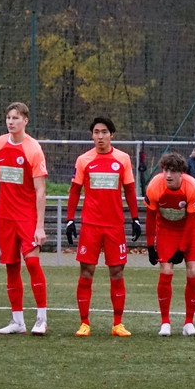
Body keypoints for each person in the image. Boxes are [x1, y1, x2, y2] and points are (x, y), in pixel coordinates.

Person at [65, 116, 141, 337]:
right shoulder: (84, 160)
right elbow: (75, 191)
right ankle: (84, 323)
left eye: (104, 132)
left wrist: (135, 218)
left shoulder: (123, 159)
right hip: (91, 225)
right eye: (96, 132)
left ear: (111, 135)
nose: (100, 136)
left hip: (115, 225)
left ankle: (117, 324)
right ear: (92, 135)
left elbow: (129, 190)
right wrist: (70, 219)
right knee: (86, 272)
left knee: (117, 272)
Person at [0, 102, 50, 335]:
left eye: (16, 118)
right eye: (9, 118)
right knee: (11, 267)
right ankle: (18, 321)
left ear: (25, 121)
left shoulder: (33, 149)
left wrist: (40, 226)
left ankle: (41, 319)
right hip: (5, 216)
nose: (11, 122)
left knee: (32, 263)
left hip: (27, 217)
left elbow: (41, 190)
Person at [145, 152, 195, 336]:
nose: (168, 175)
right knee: (166, 271)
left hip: (190, 231)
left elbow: (192, 221)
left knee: (193, 271)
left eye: (173, 171)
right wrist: (150, 246)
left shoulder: (192, 186)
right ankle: (165, 322)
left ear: (181, 173)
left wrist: (182, 249)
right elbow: (150, 218)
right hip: (166, 230)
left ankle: (189, 323)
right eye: (165, 170)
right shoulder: (155, 186)